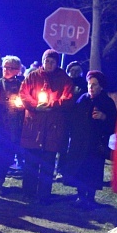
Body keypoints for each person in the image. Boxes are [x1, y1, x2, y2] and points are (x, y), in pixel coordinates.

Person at [18, 49, 74, 204]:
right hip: (34, 126)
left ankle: (43, 195)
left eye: (52, 62)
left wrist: (51, 104)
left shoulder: (64, 79)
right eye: (46, 61)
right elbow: (23, 94)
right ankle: (28, 192)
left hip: (52, 127)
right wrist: (36, 106)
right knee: (31, 162)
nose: (49, 64)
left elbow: (67, 98)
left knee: (48, 163)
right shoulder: (33, 76)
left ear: (56, 63)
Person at [63, 70, 117, 208]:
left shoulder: (107, 102)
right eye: (89, 84)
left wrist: (104, 117)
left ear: (101, 86)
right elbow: (73, 118)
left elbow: (114, 123)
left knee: (92, 171)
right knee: (79, 169)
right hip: (79, 142)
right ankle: (80, 196)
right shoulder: (83, 99)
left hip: (95, 144)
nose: (91, 87)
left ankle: (90, 198)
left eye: (94, 84)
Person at [0, 55, 24, 196]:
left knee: (5, 156)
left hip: (12, 128)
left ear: (17, 70)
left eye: (10, 68)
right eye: (5, 67)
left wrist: (18, 108)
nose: (6, 70)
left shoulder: (20, 86)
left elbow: (23, 106)